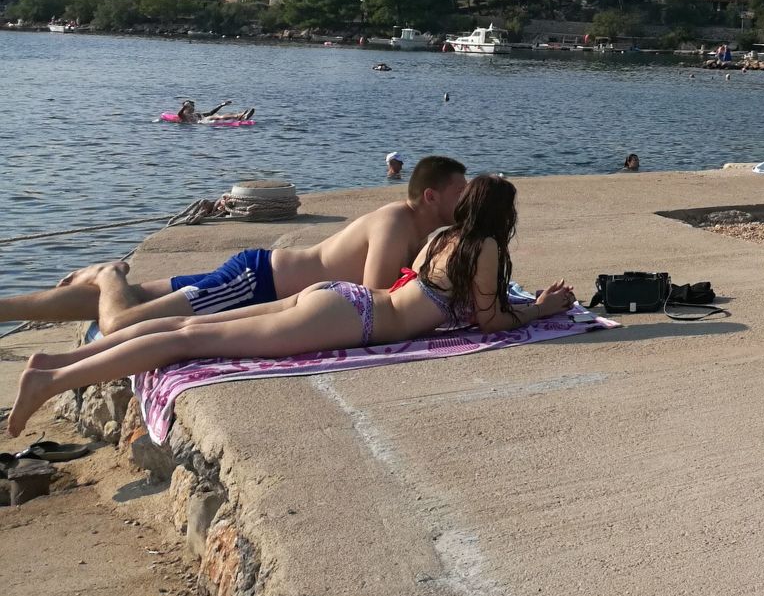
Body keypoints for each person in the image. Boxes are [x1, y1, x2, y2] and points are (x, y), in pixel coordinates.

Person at [8, 175, 573, 440]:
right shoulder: (487, 247)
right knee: (185, 338)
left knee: (183, 325)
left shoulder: (442, 236)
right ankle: (51, 382)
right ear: (503, 213)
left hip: (337, 299)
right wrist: (542, 311)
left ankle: (53, 364)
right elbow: (491, 319)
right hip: (356, 319)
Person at [0, 157, 471, 334]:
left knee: (142, 298)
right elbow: (376, 295)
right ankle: (107, 274)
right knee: (122, 321)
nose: (467, 200)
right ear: (431, 196)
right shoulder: (395, 221)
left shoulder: (417, 228)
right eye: (460, 193)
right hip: (254, 285)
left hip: (257, 277)